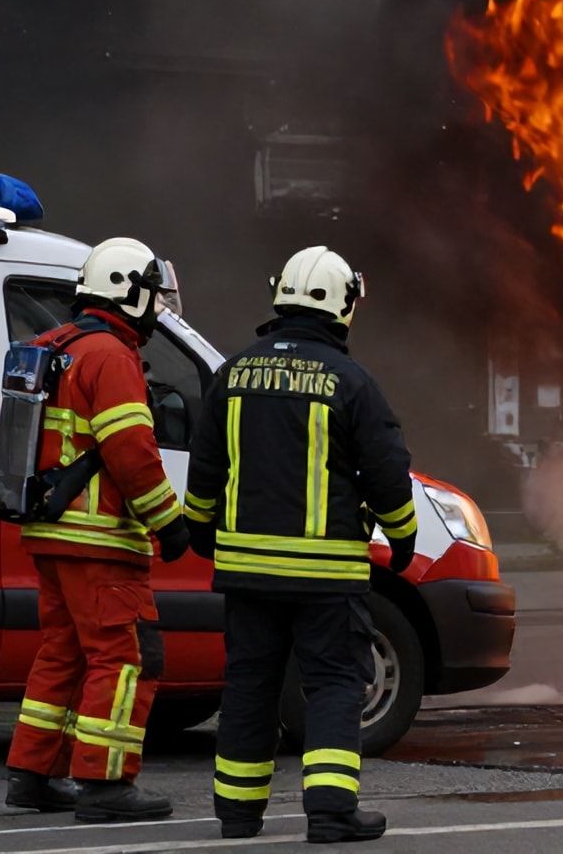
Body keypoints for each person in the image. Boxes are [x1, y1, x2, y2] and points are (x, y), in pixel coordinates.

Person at [184, 245, 417, 844]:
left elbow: (205, 469)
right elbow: (388, 474)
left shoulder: (232, 374)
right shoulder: (351, 382)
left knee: (249, 686)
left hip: (246, 575)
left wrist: (203, 532)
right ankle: (332, 813)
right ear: (342, 305)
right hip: (326, 576)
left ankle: (237, 814)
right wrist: (405, 535)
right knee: (336, 683)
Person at [4, 237, 193, 822]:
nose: (154, 309)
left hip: (52, 535)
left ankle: (33, 772)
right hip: (100, 541)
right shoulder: (110, 355)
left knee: (63, 652)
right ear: (127, 292)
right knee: (127, 655)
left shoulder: (51, 345)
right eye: (149, 295)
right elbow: (132, 452)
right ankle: (105, 783)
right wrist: (170, 522)